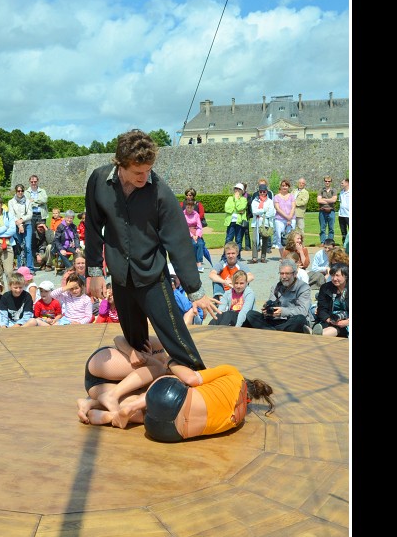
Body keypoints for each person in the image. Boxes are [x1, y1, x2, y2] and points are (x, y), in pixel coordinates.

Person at [84, 128, 218, 383]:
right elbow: (92, 226)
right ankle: (145, 386)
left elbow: (178, 242)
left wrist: (195, 290)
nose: (145, 177)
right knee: (136, 342)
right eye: (138, 172)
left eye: (149, 170)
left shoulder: (159, 192)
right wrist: (94, 272)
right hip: (120, 276)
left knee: (175, 335)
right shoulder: (99, 180)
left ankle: (200, 379)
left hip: (152, 275)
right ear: (120, 164)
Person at [139, 365, 275, 443]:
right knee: (152, 413)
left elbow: (192, 379)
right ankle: (133, 408)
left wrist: (170, 363)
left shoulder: (233, 373)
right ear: (248, 400)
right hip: (166, 433)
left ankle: (133, 404)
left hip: (169, 398)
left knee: (172, 378)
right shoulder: (238, 420)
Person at [77, 335, 173, 426]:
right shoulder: (158, 346)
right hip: (104, 363)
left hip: (95, 387)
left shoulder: (168, 384)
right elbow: (118, 339)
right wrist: (131, 353)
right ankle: (112, 396)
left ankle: (92, 404)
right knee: (159, 368)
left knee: (146, 405)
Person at [243, 258, 311, 334]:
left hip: (290, 320)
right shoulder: (275, 287)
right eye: (282, 273)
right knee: (251, 314)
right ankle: (275, 331)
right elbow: (272, 304)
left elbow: (303, 311)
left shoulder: (303, 288)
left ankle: (271, 331)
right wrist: (267, 310)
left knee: (300, 319)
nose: (284, 276)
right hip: (275, 320)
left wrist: (283, 311)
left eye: (287, 273)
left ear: (295, 274)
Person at [311, 263, 349, 338]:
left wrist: (347, 322)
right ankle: (316, 334)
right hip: (329, 319)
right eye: (332, 275)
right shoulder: (325, 288)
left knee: (336, 329)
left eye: (337, 275)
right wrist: (329, 320)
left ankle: (313, 334)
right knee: (327, 327)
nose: (334, 279)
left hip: (347, 321)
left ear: (346, 276)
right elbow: (321, 309)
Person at [180, 189, 212, 266]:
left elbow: (201, 214)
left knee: (200, 244)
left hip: (196, 228)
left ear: (193, 196)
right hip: (186, 229)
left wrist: (194, 216)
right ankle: (192, 260)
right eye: (187, 195)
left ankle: (199, 261)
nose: (188, 196)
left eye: (190, 195)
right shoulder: (182, 204)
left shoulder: (198, 204)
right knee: (193, 244)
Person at [248, 184, 275, 263]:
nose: (262, 193)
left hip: (265, 223)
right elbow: (254, 211)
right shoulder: (255, 201)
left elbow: (271, 213)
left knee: (265, 240)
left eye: (264, 191)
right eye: (261, 192)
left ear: (266, 192)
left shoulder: (270, 201)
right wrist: (264, 210)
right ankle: (254, 257)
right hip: (256, 223)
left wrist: (261, 212)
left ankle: (263, 257)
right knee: (254, 240)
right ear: (258, 192)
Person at [8, 184, 33, 268]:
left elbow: (30, 214)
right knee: (18, 246)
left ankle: (30, 268)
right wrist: (19, 225)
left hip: (27, 224)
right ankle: (20, 267)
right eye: (18, 191)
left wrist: (21, 220)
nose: (20, 192)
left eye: (22, 191)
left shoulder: (28, 201)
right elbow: (11, 215)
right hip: (16, 225)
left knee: (28, 247)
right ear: (15, 191)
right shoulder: (11, 202)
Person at [27, 174, 49, 273]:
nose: (33, 183)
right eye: (32, 181)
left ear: (37, 181)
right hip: (31, 216)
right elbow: (27, 202)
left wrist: (34, 201)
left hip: (41, 215)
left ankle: (43, 261)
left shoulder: (42, 191)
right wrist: (38, 202)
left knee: (42, 236)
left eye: (35, 181)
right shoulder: (26, 192)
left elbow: (45, 200)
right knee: (32, 236)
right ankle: (34, 260)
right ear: (29, 182)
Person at [222, 183, 248, 258]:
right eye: (236, 188)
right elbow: (227, 209)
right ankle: (225, 256)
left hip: (239, 222)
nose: (237, 190)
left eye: (239, 189)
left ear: (242, 191)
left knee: (238, 240)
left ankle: (237, 256)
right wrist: (237, 210)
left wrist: (236, 200)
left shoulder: (243, 199)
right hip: (231, 221)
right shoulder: (230, 198)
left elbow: (240, 208)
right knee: (228, 239)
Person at [183, 198, 205, 273]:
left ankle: (199, 263)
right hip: (187, 233)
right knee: (193, 244)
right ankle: (192, 262)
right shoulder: (183, 214)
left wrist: (197, 235)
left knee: (200, 244)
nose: (189, 209)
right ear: (185, 207)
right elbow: (184, 227)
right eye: (188, 207)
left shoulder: (196, 214)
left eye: (191, 207)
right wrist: (192, 236)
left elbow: (199, 226)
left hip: (196, 232)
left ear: (193, 207)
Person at [273, 179, 296, 250]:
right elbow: (278, 208)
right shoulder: (276, 197)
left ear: (288, 187)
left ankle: (290, 253)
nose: (284, 187)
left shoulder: (292, 196)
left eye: (286, 186)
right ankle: (282, 254)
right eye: (283, 186)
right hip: (280, 219)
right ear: (280, 187)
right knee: (279, 237)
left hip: (291, 219)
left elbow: (293, 207)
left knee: (290, 237)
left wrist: (290, 218)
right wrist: (287, 217)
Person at [317, 175, 338, 244]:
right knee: (322, 228)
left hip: (331, 211)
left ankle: (330, 243)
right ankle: (323, 242)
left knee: (331, 228)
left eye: (329, 181)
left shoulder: (334, 190)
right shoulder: (321, 190)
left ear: (331, 182)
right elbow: (318, 200)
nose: (327, 182)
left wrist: (324, 199)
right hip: (322, 210)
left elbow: (334, 200)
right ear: (324, 181)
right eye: (326, 181)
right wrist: (329, 200)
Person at [241, 182, 252, 253]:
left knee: (246, 231)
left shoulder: (248, 196)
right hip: (239, 216)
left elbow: (250, 205)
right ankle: (239, 245)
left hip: (246, 216)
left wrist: (249, 215)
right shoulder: (237, 196)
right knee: (239, 232)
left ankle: (248, 246)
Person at [338, 177, 350, 243]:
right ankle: (344, 244)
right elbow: (341, 202)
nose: (341, 184)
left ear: (347, 183)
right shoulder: (341, 192)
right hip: (341, 215)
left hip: (349, 215)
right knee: (343, 232)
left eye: (342, 183)